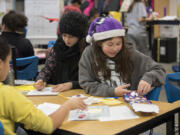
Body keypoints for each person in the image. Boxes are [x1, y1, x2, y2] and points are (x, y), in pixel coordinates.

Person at [0, 37, 87, 135]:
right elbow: (48, 125)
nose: (9, 67)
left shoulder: (85, 51)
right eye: (8, 62)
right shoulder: (7, 95)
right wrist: (68, 106)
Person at [79, 16, 165, 97]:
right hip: (100, 102)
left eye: (118, 43)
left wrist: (148, 79)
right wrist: (112, 92)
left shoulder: (129, 52)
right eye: (110, 44)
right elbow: (86, 82)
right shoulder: (89, 53)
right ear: (99, 43)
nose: (115, 48)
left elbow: (159, 69)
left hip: (128, 103)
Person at [34, 11, 88, 92]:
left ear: (80, 36)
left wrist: (72, 84)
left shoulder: (86, 50)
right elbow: (47, 69)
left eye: (71, 36)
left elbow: (92, 79)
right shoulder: (58, 47)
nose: (66, 40)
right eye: (64, 35)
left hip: (79, 92)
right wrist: (41, 80)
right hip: (57, 92)